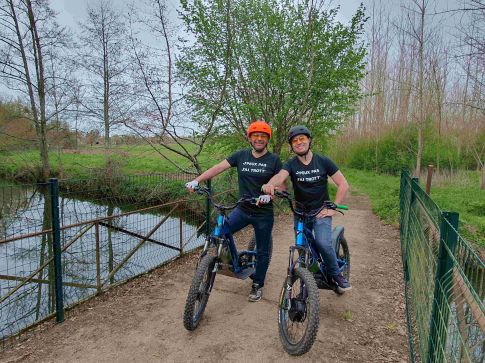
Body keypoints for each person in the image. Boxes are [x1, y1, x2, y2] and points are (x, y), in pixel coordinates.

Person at [185, 120, 283, 302]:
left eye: (263, 136)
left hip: (263, 213)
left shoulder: (274, 160)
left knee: (262, 250)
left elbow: (281, 184)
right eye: (256, 136)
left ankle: (257, 284)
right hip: (243, 209)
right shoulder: (241, 156)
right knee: (221, 231)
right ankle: (233, 262)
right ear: (250, 139)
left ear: (267, 139)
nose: (259, 139)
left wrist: (270, 196)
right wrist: (197, 180)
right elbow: (218, 168)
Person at [262, 125, 351, 291]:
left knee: (323, 243)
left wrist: (334, 207)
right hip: (300, 214)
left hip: (321, 212)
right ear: (292, 145)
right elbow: (280, 176)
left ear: (309, 140)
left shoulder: (323, 161)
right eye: (295, 141)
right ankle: (308, 280)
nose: (298, 142)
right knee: (302, 249)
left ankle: (336, 274)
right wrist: (270, 184)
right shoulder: (291, 164)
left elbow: (343, 184)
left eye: (302, 139)